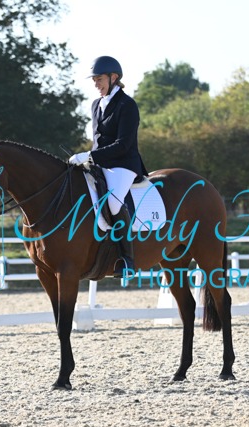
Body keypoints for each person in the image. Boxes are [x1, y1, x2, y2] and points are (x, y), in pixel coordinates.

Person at [69, 55, 148, 278]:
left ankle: (127, 259)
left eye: (100, 79)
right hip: (100, 163)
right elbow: (98, 140)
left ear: (114, 77)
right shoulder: (96, 104)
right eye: (94, 80)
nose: (96, 84)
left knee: (112, 201)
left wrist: (89, 155)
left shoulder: (127, 105)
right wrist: (88, 160)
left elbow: (123, 144)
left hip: (124, 164)